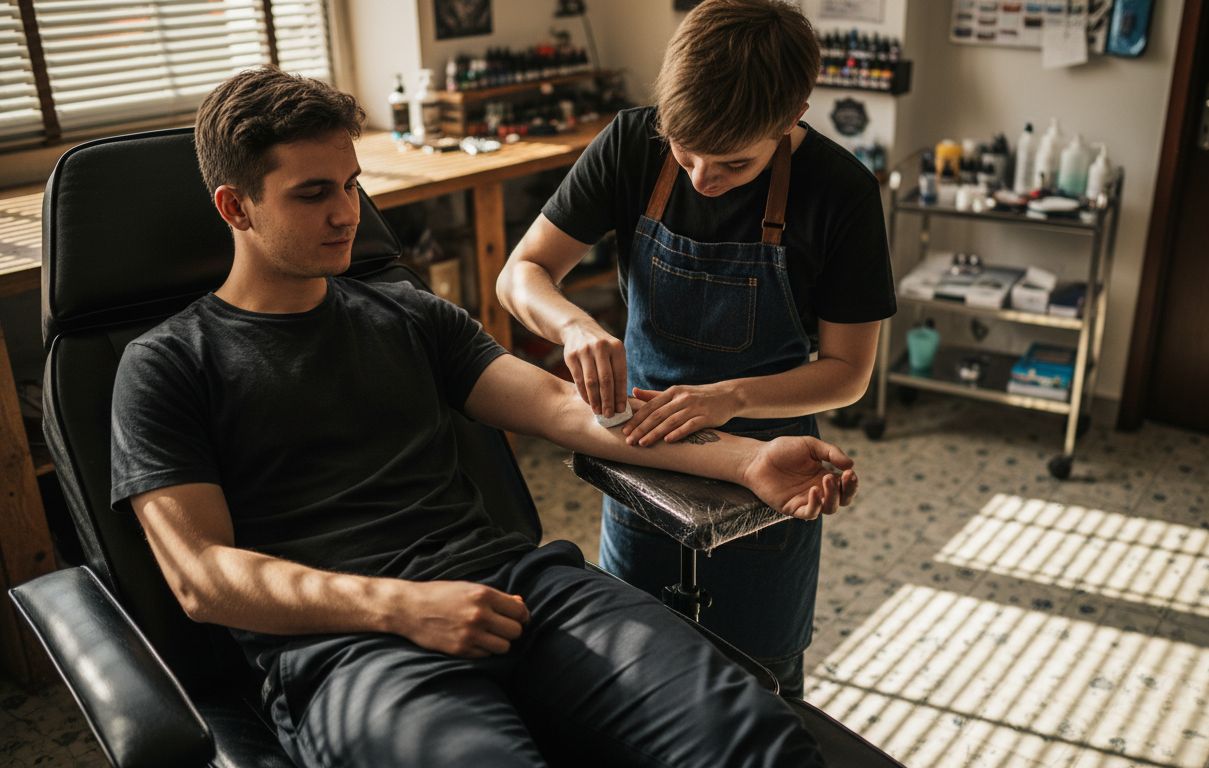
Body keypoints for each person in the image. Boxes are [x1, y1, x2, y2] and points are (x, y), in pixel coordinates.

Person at [110, 67, 862, 767]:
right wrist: (401, 607)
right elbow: (203, 577)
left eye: (351, 184)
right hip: (349, 648)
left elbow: (565, 408)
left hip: (516, 588)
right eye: (312, 195)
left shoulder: (408, 315)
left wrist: (745, 460)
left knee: (755, 737)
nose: (347, 214)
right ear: (235, 206)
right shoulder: (168, 365)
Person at [495, 0, 897, 696]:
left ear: (794, 114)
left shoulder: (841, 192)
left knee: (756, 688)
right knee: (631, 677)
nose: (702, 178)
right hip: (642, 455)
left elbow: (847, 372)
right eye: (685, 150)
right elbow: (521, 273)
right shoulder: (632, 142)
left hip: (767, 479)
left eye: (734, 162)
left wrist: (730, 396)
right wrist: (573, 325)